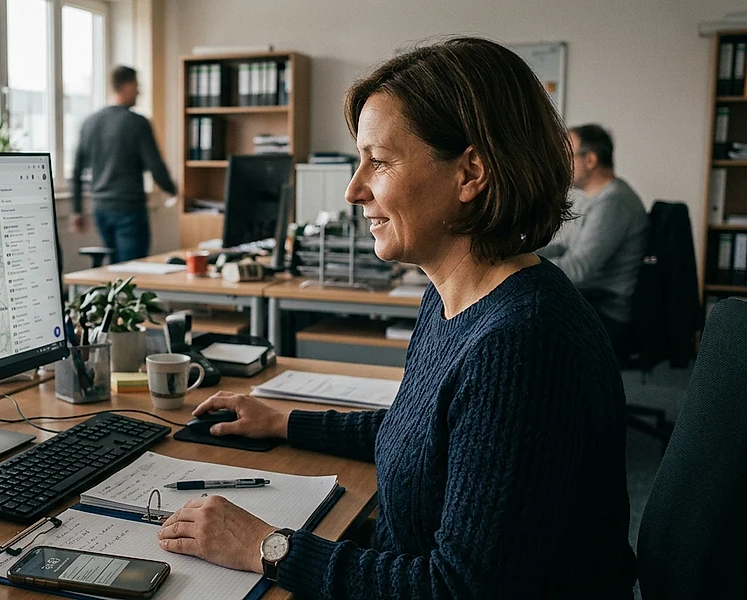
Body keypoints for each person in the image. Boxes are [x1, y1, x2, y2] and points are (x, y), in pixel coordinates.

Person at [156, 37, 637, 599]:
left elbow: (458, 590)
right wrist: (284, 421)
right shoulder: (453, 294)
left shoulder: (520, 344)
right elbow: (423, 436)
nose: (354, 189)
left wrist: (266, 546)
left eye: (378, 162)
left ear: (470, 173)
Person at [538, 124, 649, 356]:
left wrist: (522, 269)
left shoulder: (613, 203)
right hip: (589, 299)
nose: (561, 162)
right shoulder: (595, 197)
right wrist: (521, 255)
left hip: (604, 311)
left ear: (590, 160)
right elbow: (564, 248)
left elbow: (578, 270)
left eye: (567, 155)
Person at [70, 66, 176, 264]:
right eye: (137, 86)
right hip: (129, 208)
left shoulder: (90, 122)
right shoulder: (137, 122)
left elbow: (77, 170)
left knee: (114, 268)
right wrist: (173, 190)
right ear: (125, 86)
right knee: (131, 270)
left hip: (100, 208)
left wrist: (76, 210)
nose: (139, 91)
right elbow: (155, 165)